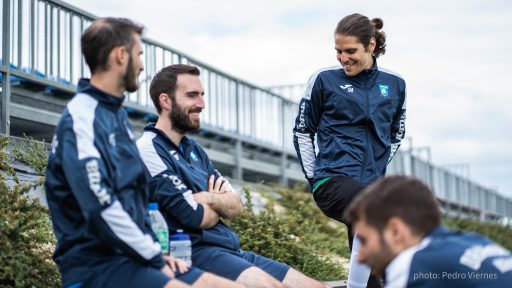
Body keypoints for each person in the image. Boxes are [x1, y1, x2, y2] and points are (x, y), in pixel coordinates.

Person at [45, 17, 240, 288]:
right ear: (120, 55)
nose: (141, 64)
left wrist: (156, 251)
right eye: (138, 54)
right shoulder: (83, 118)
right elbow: (101, 206)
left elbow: (136, 199)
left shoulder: (116, 117)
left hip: (134, 259)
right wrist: (153, 255)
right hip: (98, 267)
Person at [137, 64, 329, 288]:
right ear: (166, 101)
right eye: (192, 96)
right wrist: (217, 205)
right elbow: (193, 216)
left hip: (232, 249)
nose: (201, 104)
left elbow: (236, 206)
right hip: (198, 253)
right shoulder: (149, 147)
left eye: (202, 95)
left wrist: (209, 198)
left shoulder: (194, 149)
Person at [292, 13, 407, 288]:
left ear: (370, 45)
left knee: (375, 272)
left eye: (350, 51)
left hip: (371, 187)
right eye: (339, 52)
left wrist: (376, 171)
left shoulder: (395, 84)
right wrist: (315, 177)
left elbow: (396, 135)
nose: (343, 59)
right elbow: (302, 131)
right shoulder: (323, 79)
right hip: (332, 179)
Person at [345, 175, 512, 288]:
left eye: (364, 240)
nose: (360, 256)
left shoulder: (412, 264)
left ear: (395, 231)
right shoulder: (474, 241)